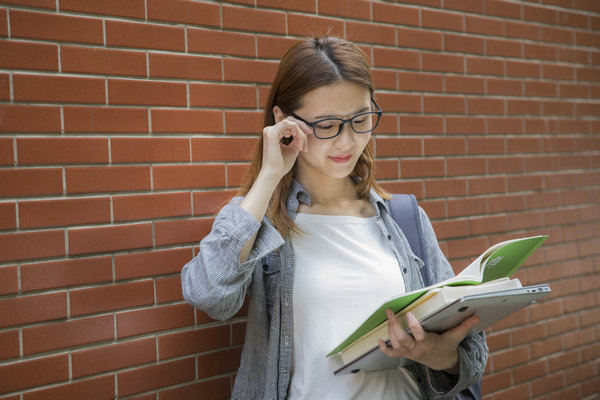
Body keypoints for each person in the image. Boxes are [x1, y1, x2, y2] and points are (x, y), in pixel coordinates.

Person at [181, 36, 488, 400]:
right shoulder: (262, 224)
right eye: (327, 125)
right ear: (283, 122)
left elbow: (471, 352)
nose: (346, 142)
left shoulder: (405, 219)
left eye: (360, 119)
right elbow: (209, 294)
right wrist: (268, 176)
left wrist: (444, 357)